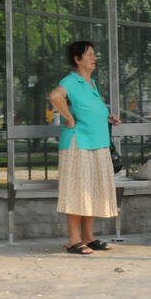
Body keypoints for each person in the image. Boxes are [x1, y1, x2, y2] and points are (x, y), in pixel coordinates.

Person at [48, 40, 121, 255]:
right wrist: (69, 119)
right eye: (90, 54)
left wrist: (107, 118)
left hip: (96, 143)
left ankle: (89, 237)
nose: (94, 58)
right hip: (78, 144)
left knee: (91, 190)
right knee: (77, 190)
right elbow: (54, 97)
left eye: (94, 54)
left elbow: (88, 110)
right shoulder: (71, 81)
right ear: (77, 59)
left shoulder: (90, 83)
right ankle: (74, 240)